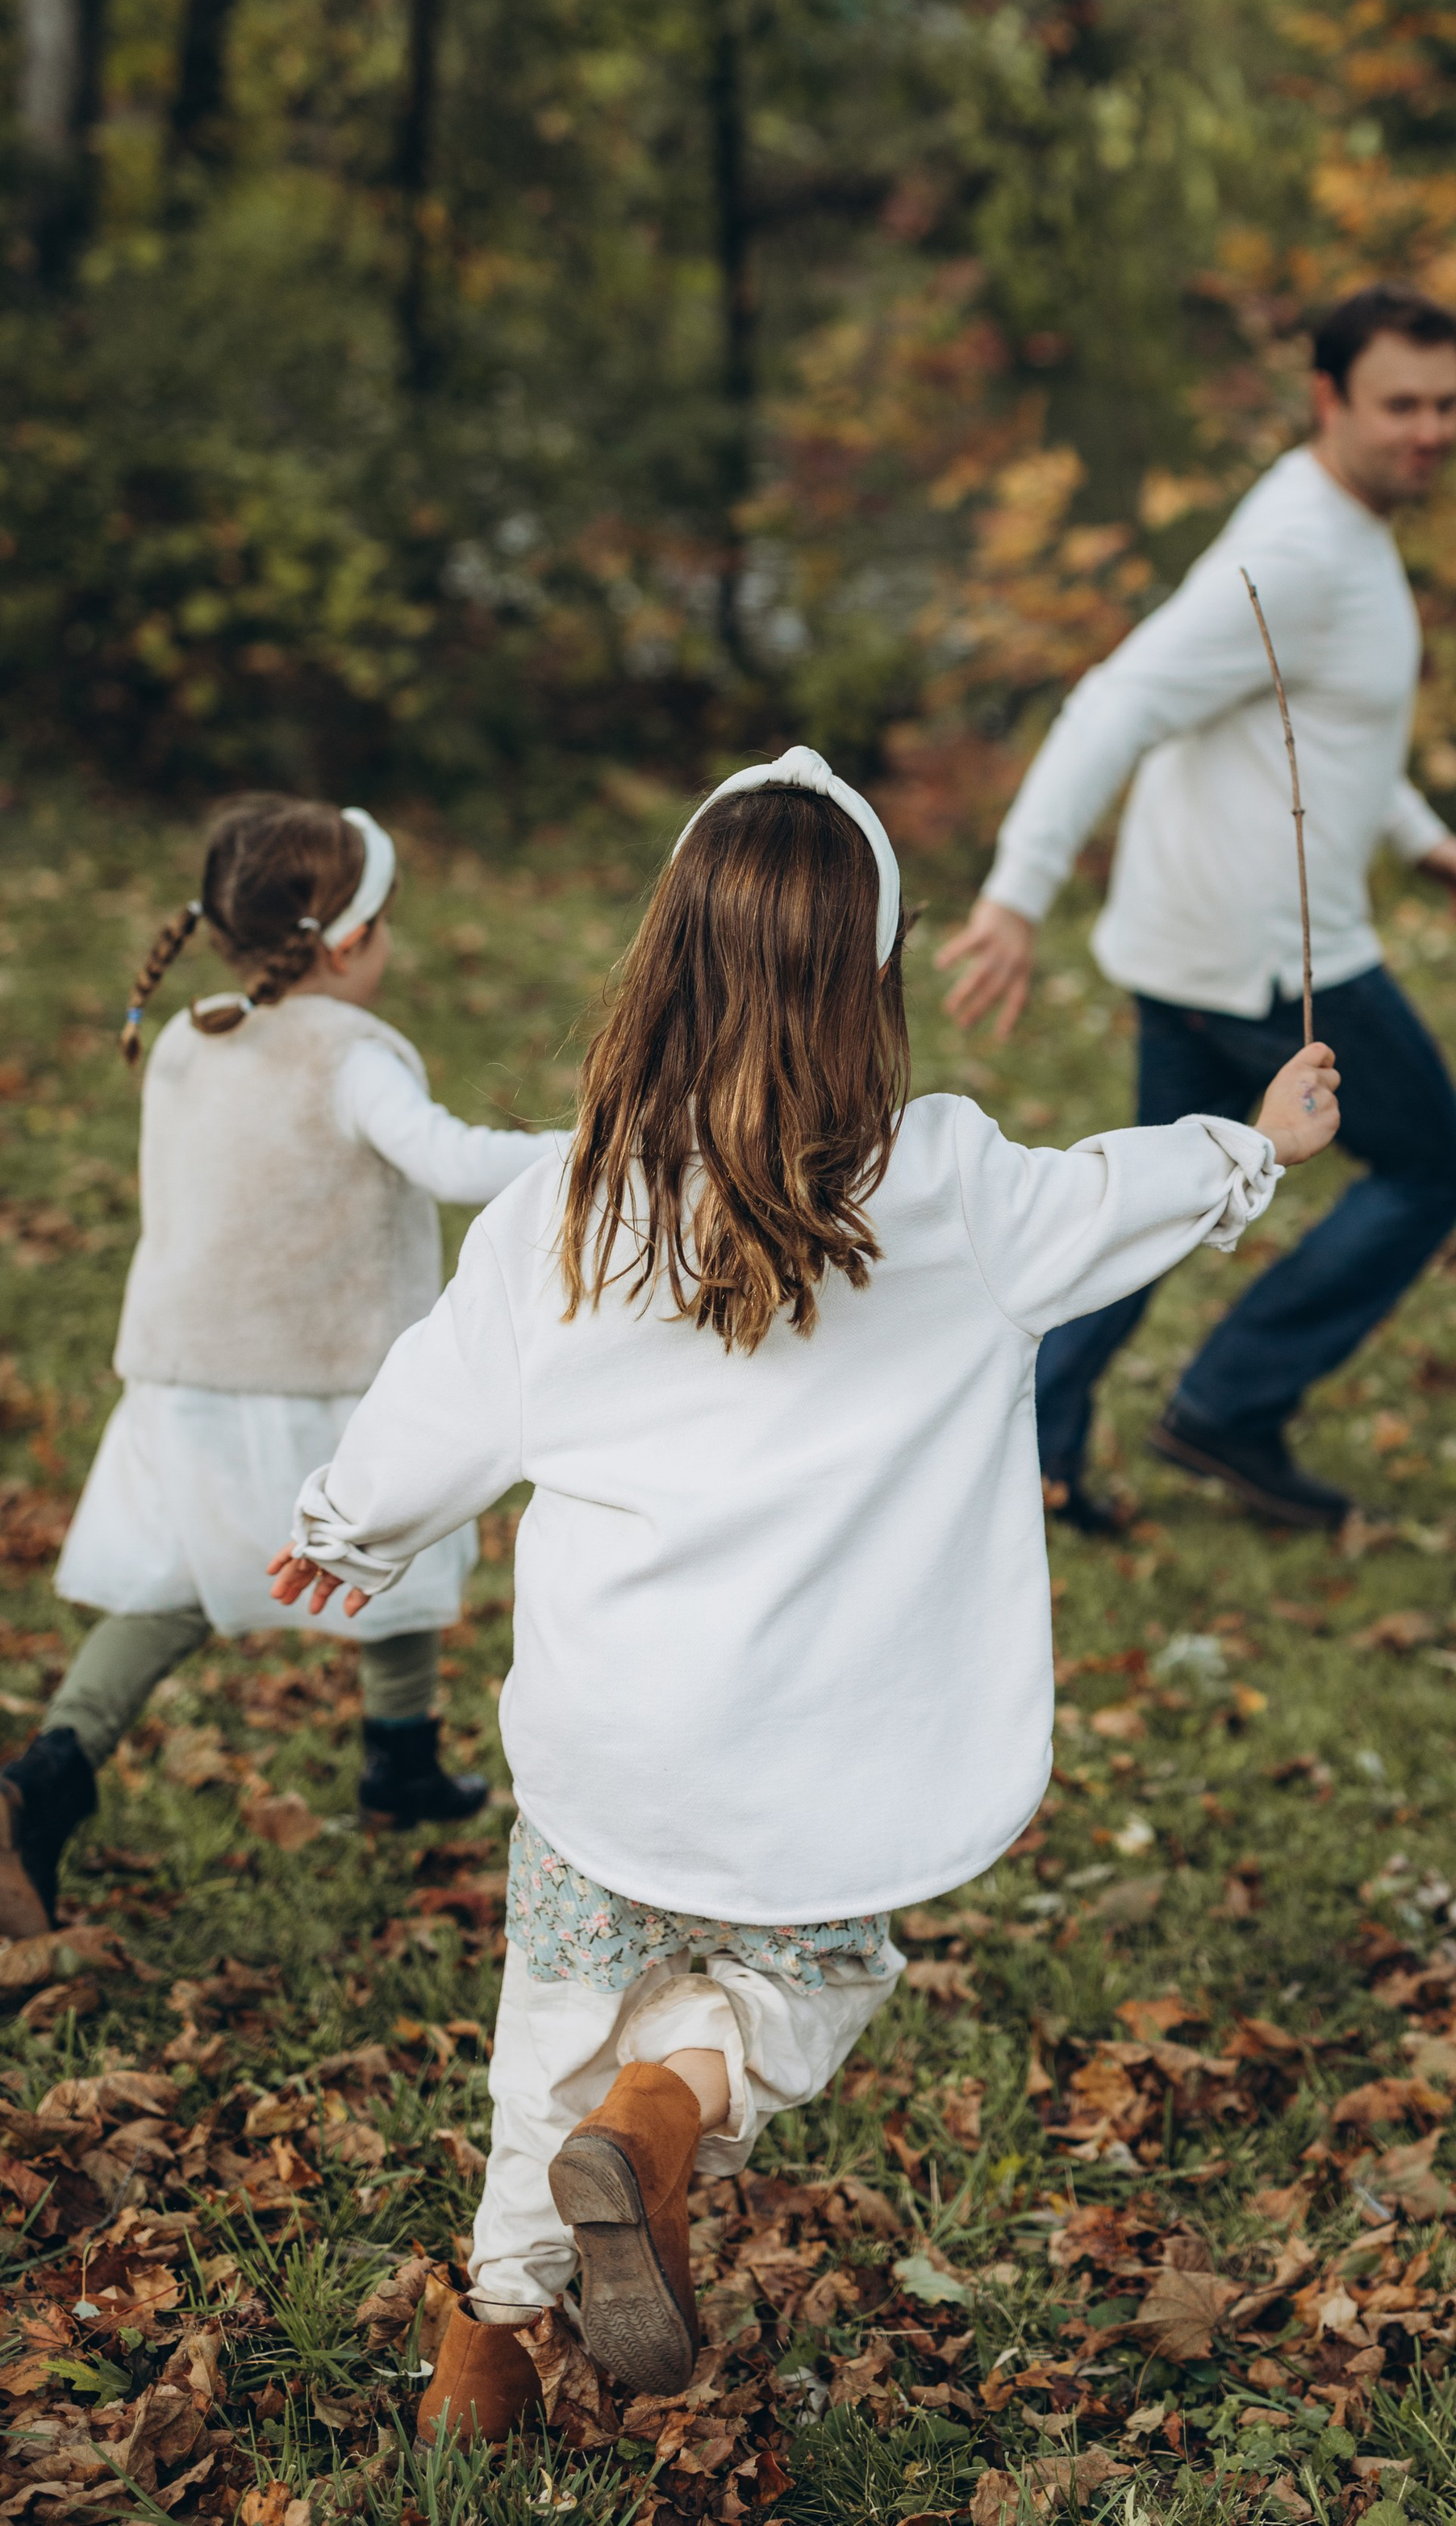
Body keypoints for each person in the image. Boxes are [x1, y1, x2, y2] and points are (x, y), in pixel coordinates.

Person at [267, 748, 1338, 2439]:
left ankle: (480, 2359)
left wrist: (340, 1528)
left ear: (662, 959)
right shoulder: (958, 1191)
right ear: (878, 981)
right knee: (789, 1993)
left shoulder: (563, 1203)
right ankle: (676, 2108)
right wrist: (1254, 1142)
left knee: (542, 2039)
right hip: (816, 1763)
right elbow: (1124, 1188)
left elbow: (436, 1414)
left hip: (609, 1753)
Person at [937, 281, 1456, 1539]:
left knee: (1164, 1193)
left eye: (1448, 406)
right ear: (1329, 400)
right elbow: (1119, 698)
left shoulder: (1331, 514)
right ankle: (1231, 1405)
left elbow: (1319, 715)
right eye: (1401, 406)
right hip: (1260, 955)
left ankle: (1034, 1456)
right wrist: (1018, 892)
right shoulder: (1302, 548)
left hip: (1191, 938)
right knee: (1432, 1164)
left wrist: (1420, 836)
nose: (1430, 432)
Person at [0, 793, 560, 1940]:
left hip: (190, 1371)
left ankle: (52, 1769)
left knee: (171, 1586)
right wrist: (601, 1151)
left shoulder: (187, 1036)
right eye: (388, 923)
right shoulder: (354, 1059)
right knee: (386, 1530)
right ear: (349, 943)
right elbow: (451, 1162)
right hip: (325, 1376)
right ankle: (396, 1751)